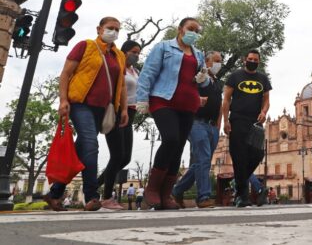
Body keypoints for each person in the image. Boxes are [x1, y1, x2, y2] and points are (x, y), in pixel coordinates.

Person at [45, 17, 128, 212]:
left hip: (105, 109)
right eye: (110, 28)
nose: (113, 32)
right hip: (81, 104)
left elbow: (122, 85)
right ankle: (91, 196)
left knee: (80, 149)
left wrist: (123, 109)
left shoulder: (119, 55)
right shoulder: (85, 46)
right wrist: (63, 100)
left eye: (117, 29)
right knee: (91, 143)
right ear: (99, 29)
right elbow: (65, 73)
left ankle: (55, 193)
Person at [136, 17, 209, 210]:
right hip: (163, 100)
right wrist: (142, 98)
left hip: (188, 104)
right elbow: (148, 72)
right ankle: (152, 189)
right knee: (171, 139)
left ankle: (166, 194)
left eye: (197, 30)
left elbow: (203, 82)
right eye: (190, 28)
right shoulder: (163, 48)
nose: (194, 33)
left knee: (178, 149)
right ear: (180, 29)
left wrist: (203, 78)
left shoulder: (198, 54)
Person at [173, 51, 224, 209]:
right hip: (196, 123)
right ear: (207, 62)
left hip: (212, 126)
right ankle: (203, 196)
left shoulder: (217, 82)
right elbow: (198, 82)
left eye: (220, 61)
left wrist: (219, 123)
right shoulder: (201, 77)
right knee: (203, 159)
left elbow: (220, 105)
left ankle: (177, 190)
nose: (219, 64)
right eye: (216, 60)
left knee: (202, 162)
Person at [222, 49, 270, 208]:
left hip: (255, 123)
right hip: (237, 120)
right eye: (250, 59)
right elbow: (226, 100)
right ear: (245, 60)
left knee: (257, 154)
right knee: (238, 157)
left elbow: (266, 100)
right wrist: (225, 121)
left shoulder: (263, 78)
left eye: (256, 60)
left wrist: (264, 112)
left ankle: (238, 183)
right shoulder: (235, 76)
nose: (253, 61)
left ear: (259, 61)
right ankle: (242, 196)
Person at [97, 40, 142, 210]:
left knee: (125, 158)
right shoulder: (118, 66)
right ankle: (107, 197)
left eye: (138, 53)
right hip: (116, 111)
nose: (136, 55)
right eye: (133, 52)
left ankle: (95, 185)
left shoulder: (135, 71)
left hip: (130, 113)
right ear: (124, 51)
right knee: (116, 155)